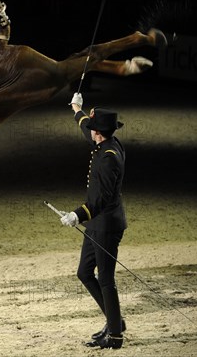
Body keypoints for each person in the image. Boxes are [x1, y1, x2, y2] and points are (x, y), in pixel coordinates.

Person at [60, 92, 127, 349]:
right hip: (96, 225)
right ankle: (115, 322)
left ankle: (116, 335)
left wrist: (78, 213)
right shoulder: (106, 143)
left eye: (93, 129)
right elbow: (85, 126)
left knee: (106, 279)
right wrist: (77, 108)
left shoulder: (110, 158)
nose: (90, 132)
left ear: (99, 133)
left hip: (106, 225)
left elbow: (101, 200)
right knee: (84, 273)